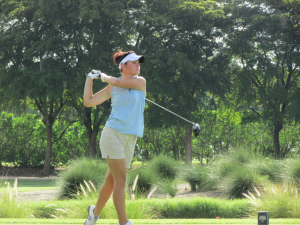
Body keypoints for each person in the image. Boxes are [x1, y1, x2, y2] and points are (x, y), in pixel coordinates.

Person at [83, 50, 146, 225]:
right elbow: (88, 102)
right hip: (113, 134)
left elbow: (119, 81)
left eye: (139, 62)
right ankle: (123, 222)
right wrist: (90, 78)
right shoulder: (112, 87)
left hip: (130, 138)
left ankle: (93, 214)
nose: (138, 65)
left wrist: (102, 76)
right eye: (134, 62)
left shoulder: (140, 82)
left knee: (111, 181)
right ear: (123, 66)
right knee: (121, 180)